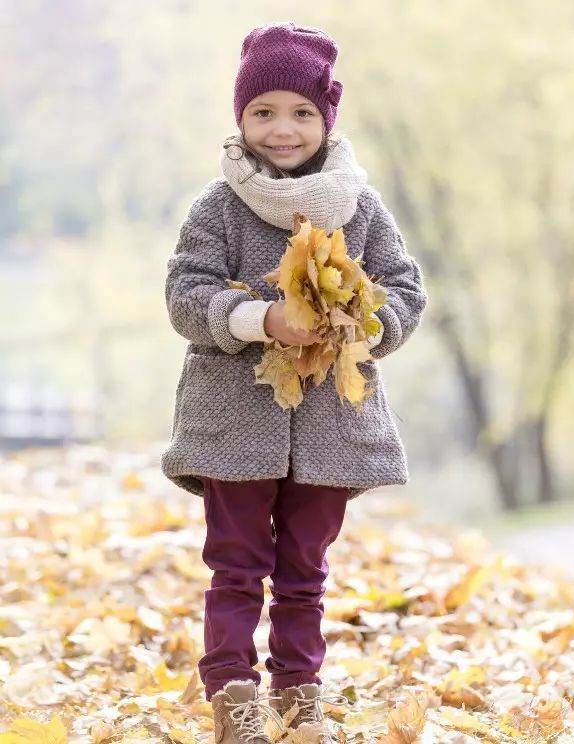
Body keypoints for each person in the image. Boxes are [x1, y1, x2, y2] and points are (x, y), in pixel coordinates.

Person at [161, 21, 428, 744]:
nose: (283, 129)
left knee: (305, 568)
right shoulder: (216, 209)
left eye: (302, 112)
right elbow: (187, 296)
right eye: (264, 112)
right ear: (241, 118)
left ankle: (298, 695)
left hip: (329, 428)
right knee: (237, 565)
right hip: (233, 425)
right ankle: (234, 699)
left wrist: (365, 326)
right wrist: (259, 319)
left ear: (327, 118)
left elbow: (404, 287)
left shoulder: (361, 209)